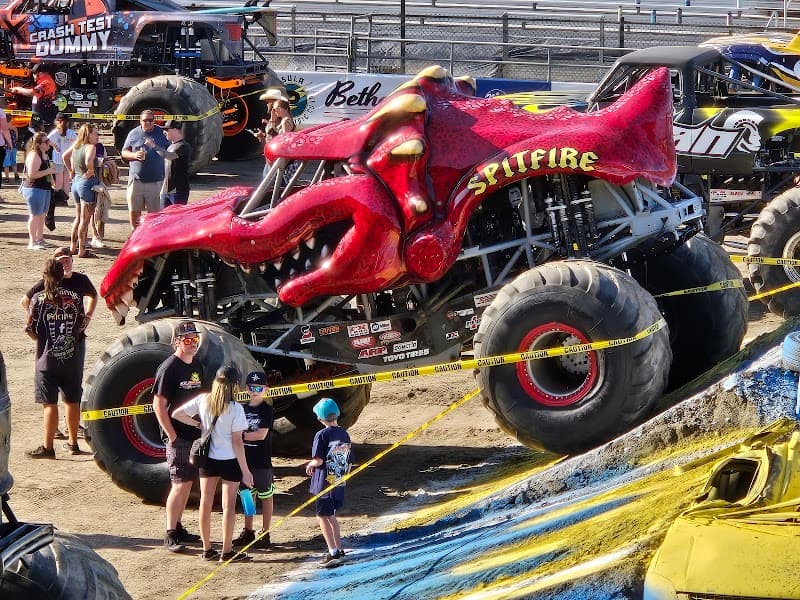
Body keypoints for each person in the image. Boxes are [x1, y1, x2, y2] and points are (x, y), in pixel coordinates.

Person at [172, 364, 253, 563]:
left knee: (205, 503)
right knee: (228, 507)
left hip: (207, 460)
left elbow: (177, 414)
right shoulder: (235, 408)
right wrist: (246, 470)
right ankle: (226, 551)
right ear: (234, 385)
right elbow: (237, 442)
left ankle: (207, 549)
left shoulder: (203, 400)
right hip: (230, 461)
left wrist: (199, 424)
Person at [21, 246, 97, 441]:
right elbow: (79, 320)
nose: (65, 262)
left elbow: (30, 329)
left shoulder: (40, 298)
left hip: (49, 354)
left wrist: (42, 336)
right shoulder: (73, 298)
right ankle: (73, 442)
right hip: (72, 350)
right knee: (72, 396)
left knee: (49, 401)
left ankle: (48, 446)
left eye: (67, 258)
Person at [152, 320, 205, 553]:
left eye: (195, 339)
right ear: (177, 342)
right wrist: (172, 435)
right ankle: (170, 533)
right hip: (179, 437)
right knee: (179, 483)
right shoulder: (168, 368)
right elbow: (158, 405)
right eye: (188, 340)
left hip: (195, 436)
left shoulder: (198, 366)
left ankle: (179, 527)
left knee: (187, 484)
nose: (193, 344)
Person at [305, 397, 352, 568]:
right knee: (332, 516)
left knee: (322, 516)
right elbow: (349, 462)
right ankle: (339, 549)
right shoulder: (344, 433)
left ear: (319, 418)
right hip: (337, 480)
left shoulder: (321, 435)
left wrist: (310, 464)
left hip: (324, 482)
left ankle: (333, 552)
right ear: (337, 414)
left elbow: (318, 460)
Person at [232, 371, 274, 551]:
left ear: (265, 389)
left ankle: (265, 532)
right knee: (248, 496)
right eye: (252, 387)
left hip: (262, 462)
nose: (255, 391)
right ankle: (248, 530)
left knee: (266, 496)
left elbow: (260, 434)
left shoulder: (267, 409)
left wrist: (241, 436)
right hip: (245, 461)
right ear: (247, 388)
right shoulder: (242, 408)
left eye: (259, 387)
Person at [121, 110, 168, 228]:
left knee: (154, 213)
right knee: (134, 210)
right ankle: (135, 233)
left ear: (154, 120)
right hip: (136, 180)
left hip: (156, 181)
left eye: (150, 120)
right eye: (144, 120)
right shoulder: (134, 133)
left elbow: (170, 152)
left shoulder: (162, 133)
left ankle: (152, 236)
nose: (147, 123)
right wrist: (133, 155)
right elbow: (124, 152)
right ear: (140, 121)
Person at [62, 123, 100, 258]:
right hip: (86, 183)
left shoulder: (76, 146)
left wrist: (71, 171)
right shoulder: (90, 147)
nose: (98, 136)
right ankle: (82, 249)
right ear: (88, 134)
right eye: (96, 133)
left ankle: (73, 246)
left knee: (78, 217)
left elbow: (64, 157)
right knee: (85, 219)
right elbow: (89, 160)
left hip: (76, 182)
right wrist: (91, 169)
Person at [21, 131, 55, 250]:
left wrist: (51, 181)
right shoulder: (34, 155)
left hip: (44, 188)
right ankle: (32, 241)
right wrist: (48, 172)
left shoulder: (44, 153)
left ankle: (40, 239)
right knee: (35, 215)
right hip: (34, 188)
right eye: (46, 141)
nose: (48, 143)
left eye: (48, 140)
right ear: (39, 144)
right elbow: (31, 174)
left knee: (42, 215)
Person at [146, 119, 190, 207]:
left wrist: (153, 146)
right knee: (163, 217)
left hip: (178, 191)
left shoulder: (183, 146)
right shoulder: (171, 145)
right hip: (166, 191)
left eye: (167, 130)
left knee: (176, 217)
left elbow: (169, 156)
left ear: (176, 130)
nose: (164, 132)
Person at [10, 65, 58, 129]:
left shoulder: (46, 82)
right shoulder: (45, 81)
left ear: (39, 73)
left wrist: (19, 90)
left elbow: (32, 92)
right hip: (42, 115)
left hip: (45, 115)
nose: (33, 76)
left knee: (38, 132)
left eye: (34, 74)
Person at [47, 112, 77, 207]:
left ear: (57, 121)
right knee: (66, 181)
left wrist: (54, 145)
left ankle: (58, 199)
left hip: (58, 159)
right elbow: (77, 142)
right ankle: (65, 198)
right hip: (68, 159)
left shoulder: (55, 132)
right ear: (67, 122)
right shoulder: (71, 132)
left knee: (58, 180)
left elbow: (46, 140)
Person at [3, 113, 19, 184]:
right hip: (14, 146)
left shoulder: (3, 127)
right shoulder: (14, 128)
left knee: (6, 163)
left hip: (6, 147)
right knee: (13, 161)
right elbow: (16, 138)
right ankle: (16, 175)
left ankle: (7, 178)